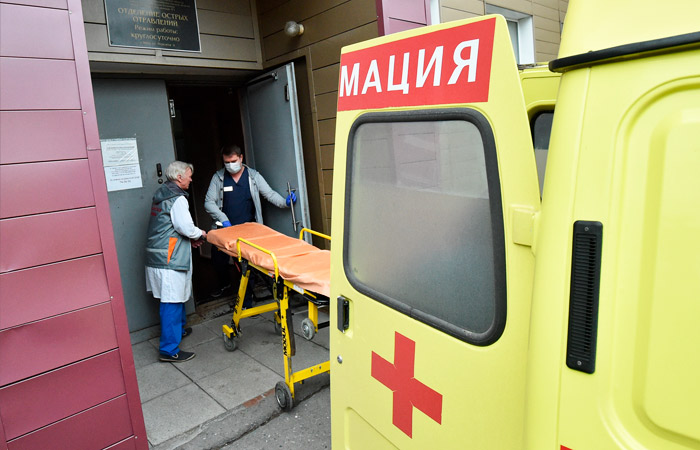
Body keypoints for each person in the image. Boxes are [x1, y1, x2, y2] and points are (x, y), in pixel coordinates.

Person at [204, 144, 297, 306]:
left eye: (233, 161)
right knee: (219, 261)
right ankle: (225, 285)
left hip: (248, 230)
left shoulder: (253, 176)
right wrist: (223, 218)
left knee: (245, 267)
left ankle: (246, 302)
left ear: (241, 158)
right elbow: (208, 202)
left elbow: (269, 194)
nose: (230, 165)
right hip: (225, 229)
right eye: (227, 162)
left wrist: (285, 202)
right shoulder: (218, 178)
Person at [145, 161, 206, 363]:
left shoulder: (162, 193)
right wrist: (200, 234)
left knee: (175, 296)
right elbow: (185, 227)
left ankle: (178, 330)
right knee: (171, 301)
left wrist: (190, 239)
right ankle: (169, 350)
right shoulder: (177, 198)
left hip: (158, 254)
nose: (191, 179)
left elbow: (168, 226)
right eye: (189, 175)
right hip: (168, 258)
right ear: (179, 177)